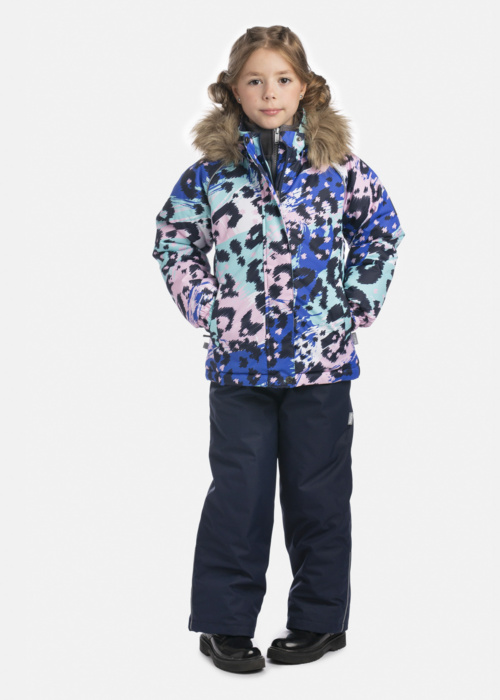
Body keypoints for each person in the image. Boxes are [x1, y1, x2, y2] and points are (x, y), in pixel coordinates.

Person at [153, 25, 405, 674]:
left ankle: (320, 620)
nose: (269, 92)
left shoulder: (338, 168)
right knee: (237, 495)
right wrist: (205, 304)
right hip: (238, 368)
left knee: (319, 495)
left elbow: (381, 230)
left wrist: (354, 303)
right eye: (255, 80)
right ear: (233, 90)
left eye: (283, 79)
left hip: (321, 367)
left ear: (305, 87)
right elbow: (174, 239)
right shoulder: (210, 176)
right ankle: (224, 624)